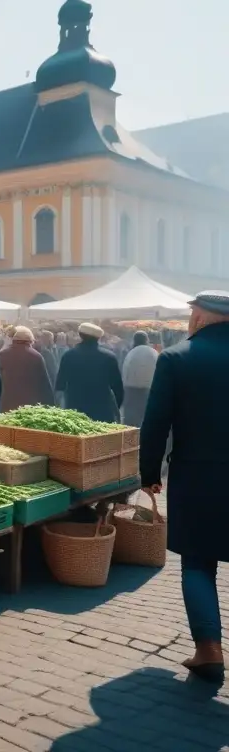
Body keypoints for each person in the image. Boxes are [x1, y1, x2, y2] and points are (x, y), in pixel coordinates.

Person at [140, 291, 229, 683]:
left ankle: (208, 649)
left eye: (192, 312)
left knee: (197, 561)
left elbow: (156, 423)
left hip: (198, 475)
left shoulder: (177, 358)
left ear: (203, 318)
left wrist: (148, 474)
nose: (189, 319)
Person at [54, 323, 124, 423]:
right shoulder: (109, 357)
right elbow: (118, 388)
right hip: (103, 410)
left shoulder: (68, 356)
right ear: (98, 338)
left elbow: (60, 385)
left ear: (80, 335)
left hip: (75, 410)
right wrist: (116, 409)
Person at [0, 326, 55, 412]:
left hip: (7, 403)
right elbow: (44, 384)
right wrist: (50, 406)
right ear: (30, 340)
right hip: (29, 405)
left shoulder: (2, 355)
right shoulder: (36, 356)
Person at [121, 330, 158, 427]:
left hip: (130, 390)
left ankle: (130, 440)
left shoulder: (130, 353)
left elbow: (124, 371)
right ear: (147, 340)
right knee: (147, 419)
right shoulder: (154, 352)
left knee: (130, 421)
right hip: (149, 390)